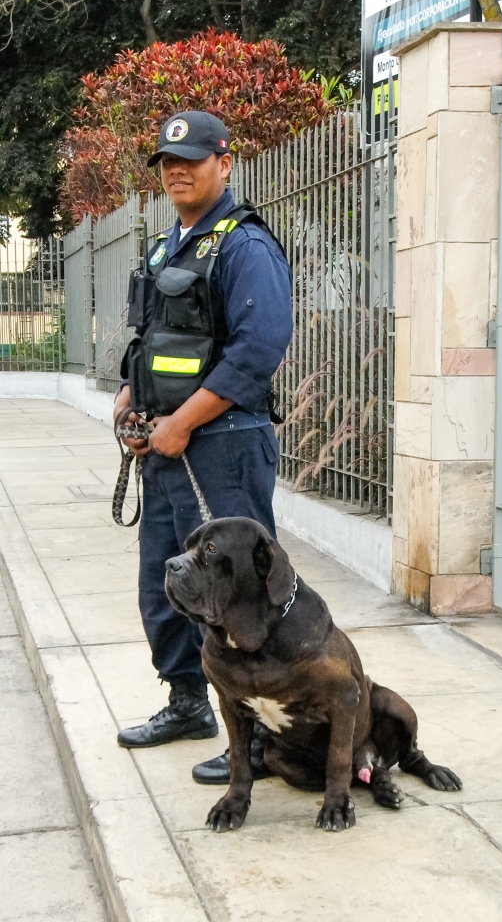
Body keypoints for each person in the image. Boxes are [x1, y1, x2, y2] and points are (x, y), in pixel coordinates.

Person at [113, 110, 293, 785]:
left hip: (221, 447)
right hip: (165, 446)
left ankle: (262, 736)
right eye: (166, 161)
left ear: (225, 161)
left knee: (239, 596)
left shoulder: (243, 247)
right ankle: (188, 702)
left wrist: (183, 421)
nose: (177, 170)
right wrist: (133, 398)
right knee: (170, 586)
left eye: (192, 158)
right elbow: (157, 339)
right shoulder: (170, 245)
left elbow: (256, 353)